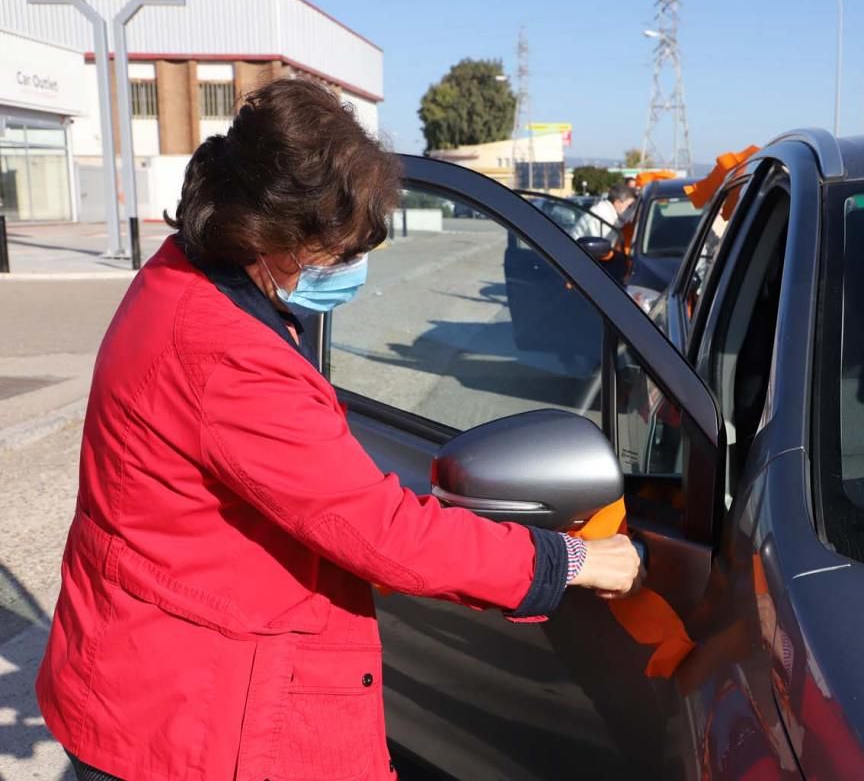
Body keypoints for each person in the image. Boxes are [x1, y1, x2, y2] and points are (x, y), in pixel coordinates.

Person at [36, 79, 640, 781]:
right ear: (268, 236)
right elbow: (379, 531)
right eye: (338, 251)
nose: (349, 271)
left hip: (144, 674)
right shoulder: (227, 355)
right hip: (191, 720)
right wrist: (566, 561)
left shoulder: (182, 277)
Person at [570, 182, 636, 244]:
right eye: (629, 206)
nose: (630, 210)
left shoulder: (609, 213)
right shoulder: (602, 217)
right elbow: (601, 249)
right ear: (617, 203)